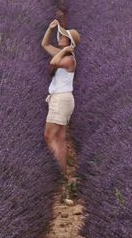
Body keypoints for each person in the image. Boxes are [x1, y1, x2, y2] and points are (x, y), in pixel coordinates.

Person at [41, 19, 81, 177]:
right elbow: (44, 45)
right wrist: (50, 29)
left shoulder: (69, 59)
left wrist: (64, 51)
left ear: (68, 42)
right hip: (62, 99)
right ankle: (63, 174)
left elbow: (53, 62)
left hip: (61, 100)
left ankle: (57, 172)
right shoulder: (63, 54)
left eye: (62, 36)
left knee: (49, 136)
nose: (60, 37)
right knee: (60, 138)